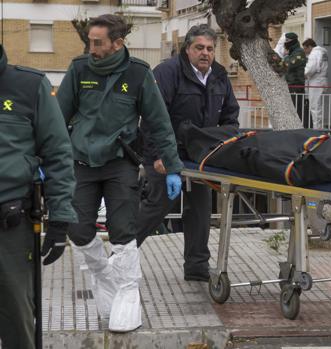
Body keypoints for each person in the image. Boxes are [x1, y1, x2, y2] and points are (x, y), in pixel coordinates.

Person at [56, 14, 183, 332]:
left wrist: (173, 168)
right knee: (77, 229)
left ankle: (127, 292)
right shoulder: (79, 69)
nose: (91, 48)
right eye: (90, 41)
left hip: (119, 165)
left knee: (122, 230)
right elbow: (56, 120)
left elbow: (159, 122)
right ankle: (105, 276)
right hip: (81, 164)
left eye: (98, 42)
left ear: (117, 43)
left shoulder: (138, 73)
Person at [136, 24, 240, 282]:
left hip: (200, 157)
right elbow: (151, 118)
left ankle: (196, 268)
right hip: (164, 154)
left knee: (200, 211)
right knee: (157, 206)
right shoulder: (167, 72)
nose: (205, 53)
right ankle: (120, 254)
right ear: (187, 49)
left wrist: (219, 148)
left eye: (210, 48)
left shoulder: (218, 75)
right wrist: (160, 156)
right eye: (199, 48)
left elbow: (231, 116)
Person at [0, 43, 77, 348]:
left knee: (17, 316)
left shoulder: (28, 86)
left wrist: (60, 218)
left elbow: (58, 154)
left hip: (9, 228)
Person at [282, 32, 311, 128]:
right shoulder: (292, 52)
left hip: (296, 86)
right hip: (289, 86)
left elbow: (289, 65)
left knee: (298, 111)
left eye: (288, 41)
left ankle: (302, 129)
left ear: (293, 41)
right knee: (291, 111)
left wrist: (285, 57)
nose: (286, 43)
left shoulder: (299, 52)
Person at [302, 38, 328, 129]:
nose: (305, 51)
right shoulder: (323, 52)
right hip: (322, 80)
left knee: (315, 106)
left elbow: (310, 69)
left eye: (305, 48)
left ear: (309, 47)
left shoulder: (314, 54)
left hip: (316, 82)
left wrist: (304, 74)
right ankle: (318, 127)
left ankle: (317, 129)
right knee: (319, 106)